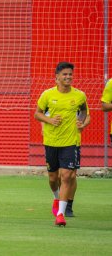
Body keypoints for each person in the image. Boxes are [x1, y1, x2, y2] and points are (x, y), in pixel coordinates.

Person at [34, 61, 88, 227]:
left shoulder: (79, 95)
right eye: (64, 74)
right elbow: (37, 114)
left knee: (67, 176)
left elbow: (84, 111)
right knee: (53, 178)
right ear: (56, 77)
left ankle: (61, 214)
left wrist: (81, 122)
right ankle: (57, 198)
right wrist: (50, 120)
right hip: (51, 141)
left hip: (70, 142)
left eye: (70, 74)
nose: (68, 77)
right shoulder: (47, 95)